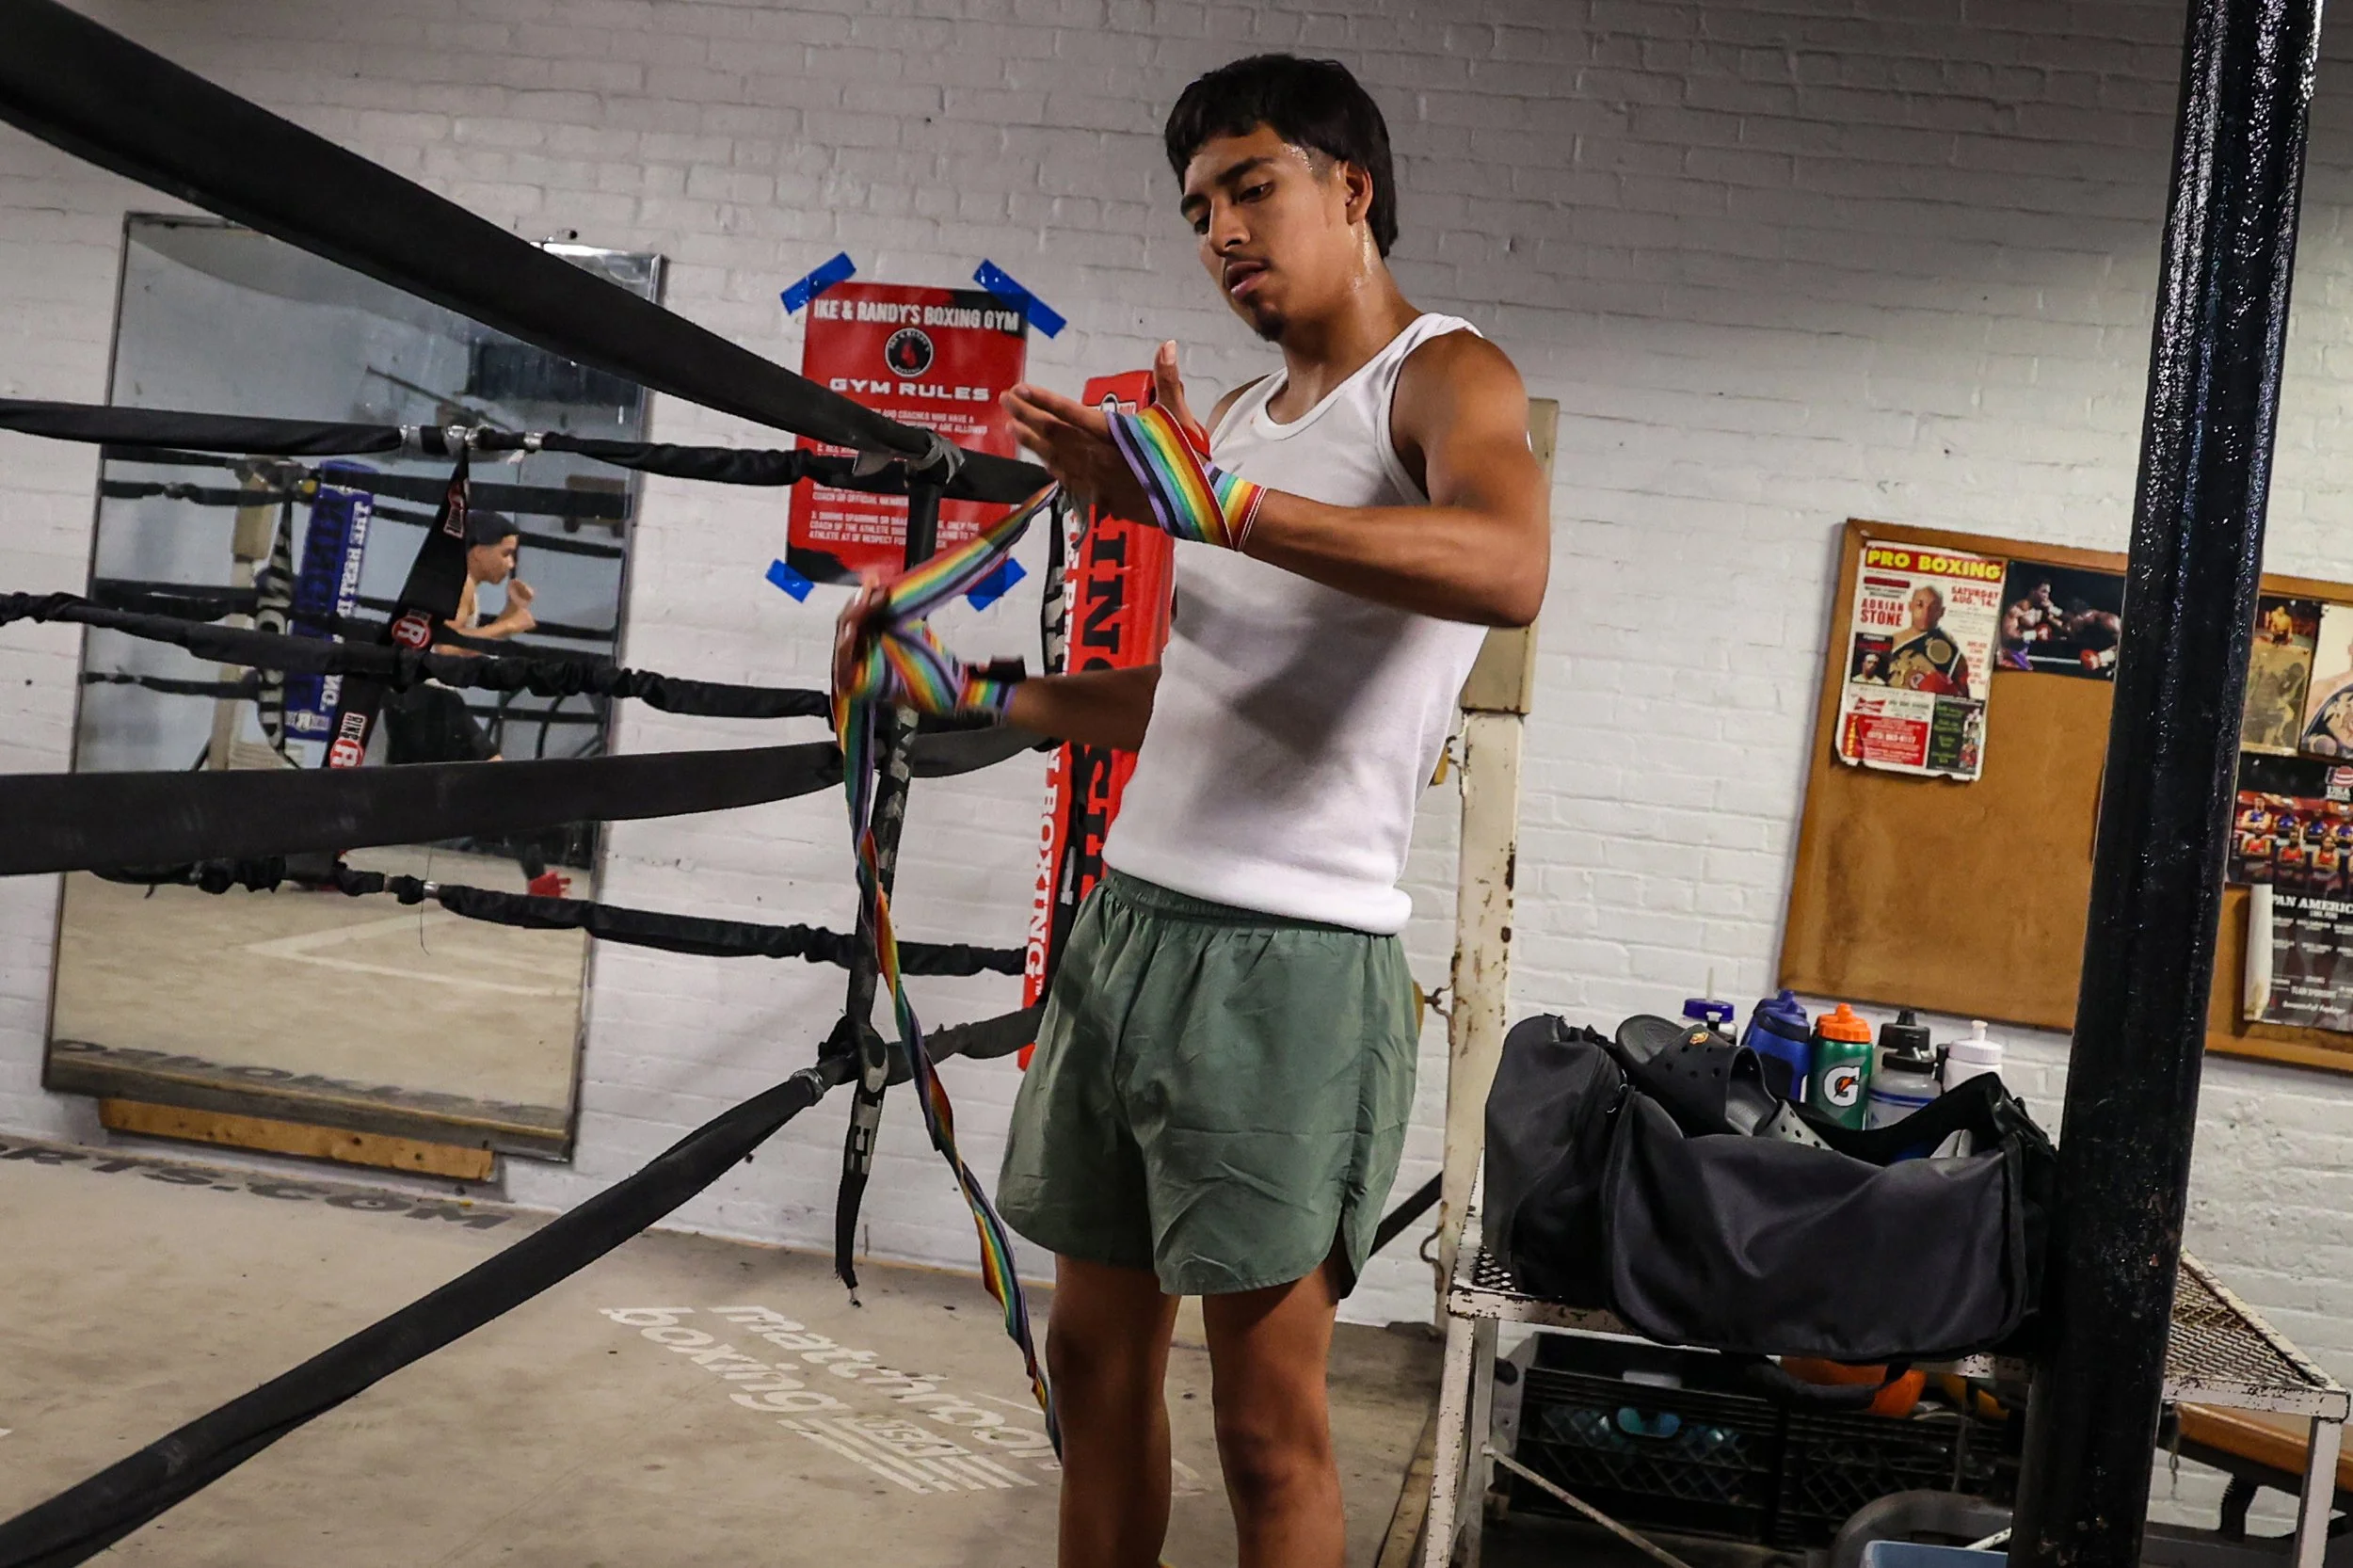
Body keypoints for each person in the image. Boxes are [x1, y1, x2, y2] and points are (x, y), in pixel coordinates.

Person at [835, 53, 1547, 1568]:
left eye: (1252, 187)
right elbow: (1194, 693)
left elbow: (1507, 566)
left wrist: (1220, 504)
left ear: (1351, 191)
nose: (1222, 230)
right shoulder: (1228, 418)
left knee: (1266, 1424)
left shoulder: (1443, 375)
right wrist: (979, 691)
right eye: (1199, 208)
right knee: (1092, 1365)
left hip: (1293, 964)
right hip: (1132, 929)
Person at [1879, 584, 1970, 696]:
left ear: (1941, 612)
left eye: (1933, 607)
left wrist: (1944, 688)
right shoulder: (1889, 642)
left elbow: (1963, 698)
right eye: (1920, 605)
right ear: (1910, 606)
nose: (1926, 613)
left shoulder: (1953, 654)